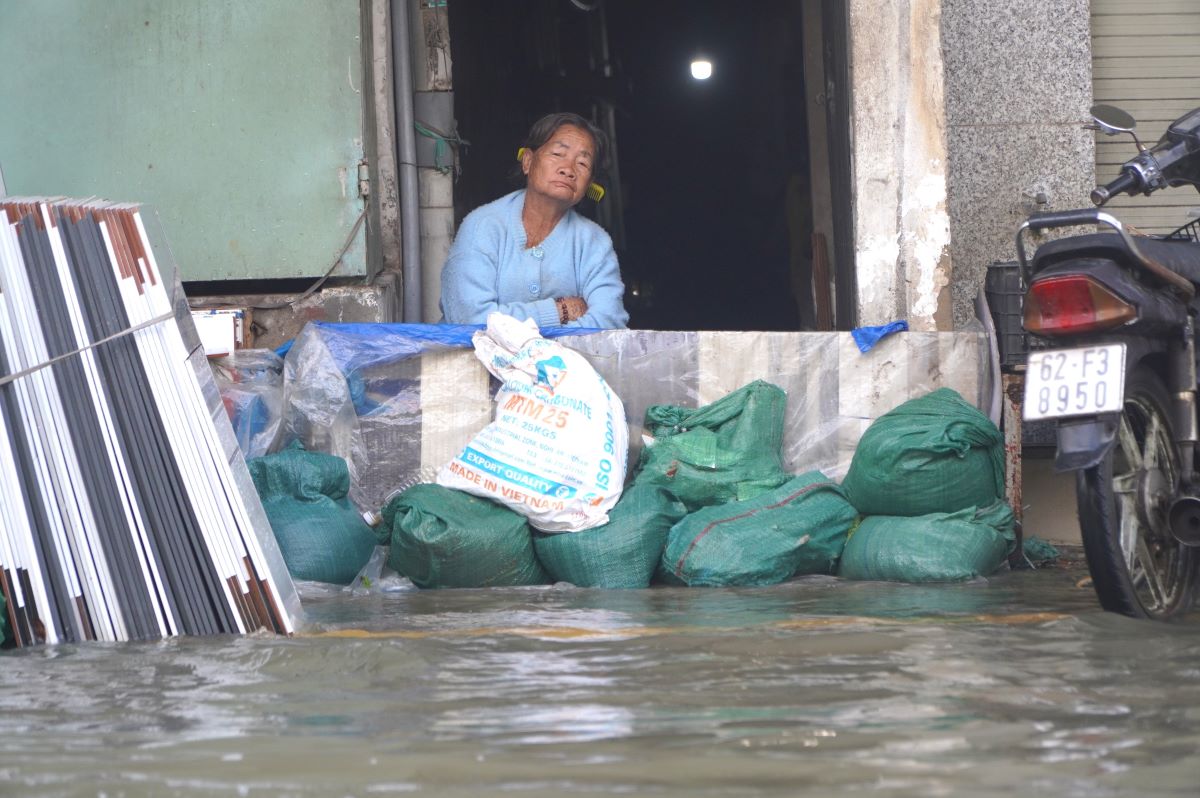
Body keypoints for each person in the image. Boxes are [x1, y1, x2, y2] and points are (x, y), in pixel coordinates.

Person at [439, 112, 629, 329]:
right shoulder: (482, 226)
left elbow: (609, 322)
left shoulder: (595, 242)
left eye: (583, 163)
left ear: (588, 185)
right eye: (558, 153)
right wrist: (561, 311)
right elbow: (469, 319)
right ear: (528, 162)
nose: (569, 169)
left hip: (561, 364)